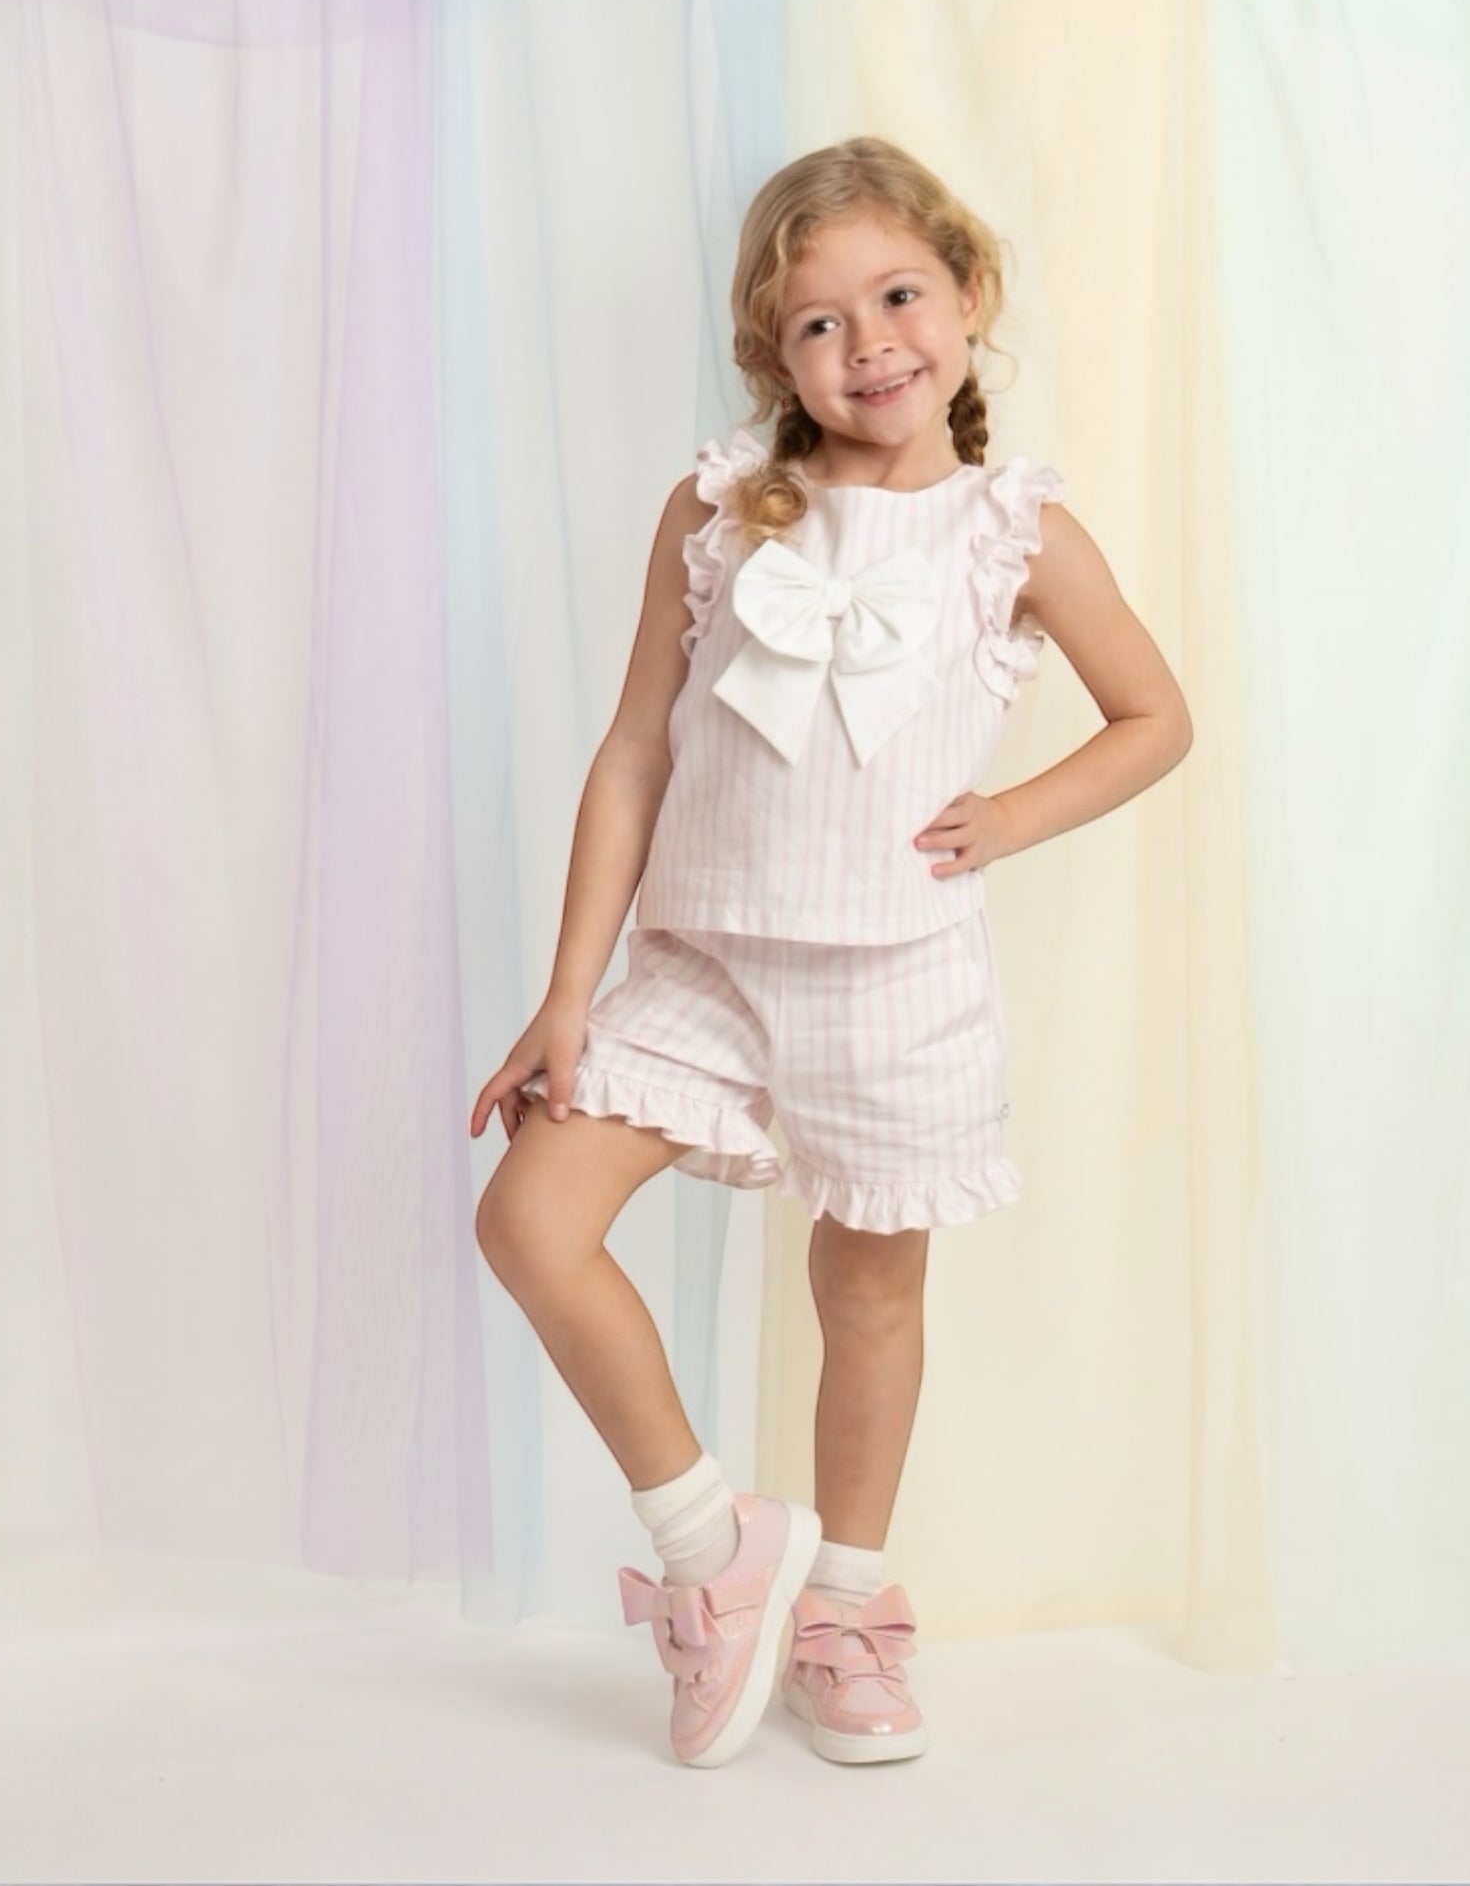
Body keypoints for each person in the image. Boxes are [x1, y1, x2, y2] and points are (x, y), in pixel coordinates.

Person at [469, 136, 1192, 1769]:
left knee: (868, 1289)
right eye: (817, 322)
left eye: (898, 296)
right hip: (704, 965)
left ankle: (845, 1609)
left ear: (968, 295)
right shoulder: (718, 508)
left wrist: (1010, 815)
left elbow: (1154, 716)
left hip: (895, 975)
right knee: (531, 1215)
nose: (867, 342)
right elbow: (633, 752)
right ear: (771, 352)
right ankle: (712, 1548)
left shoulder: (1014, 532)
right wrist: (568, 993)